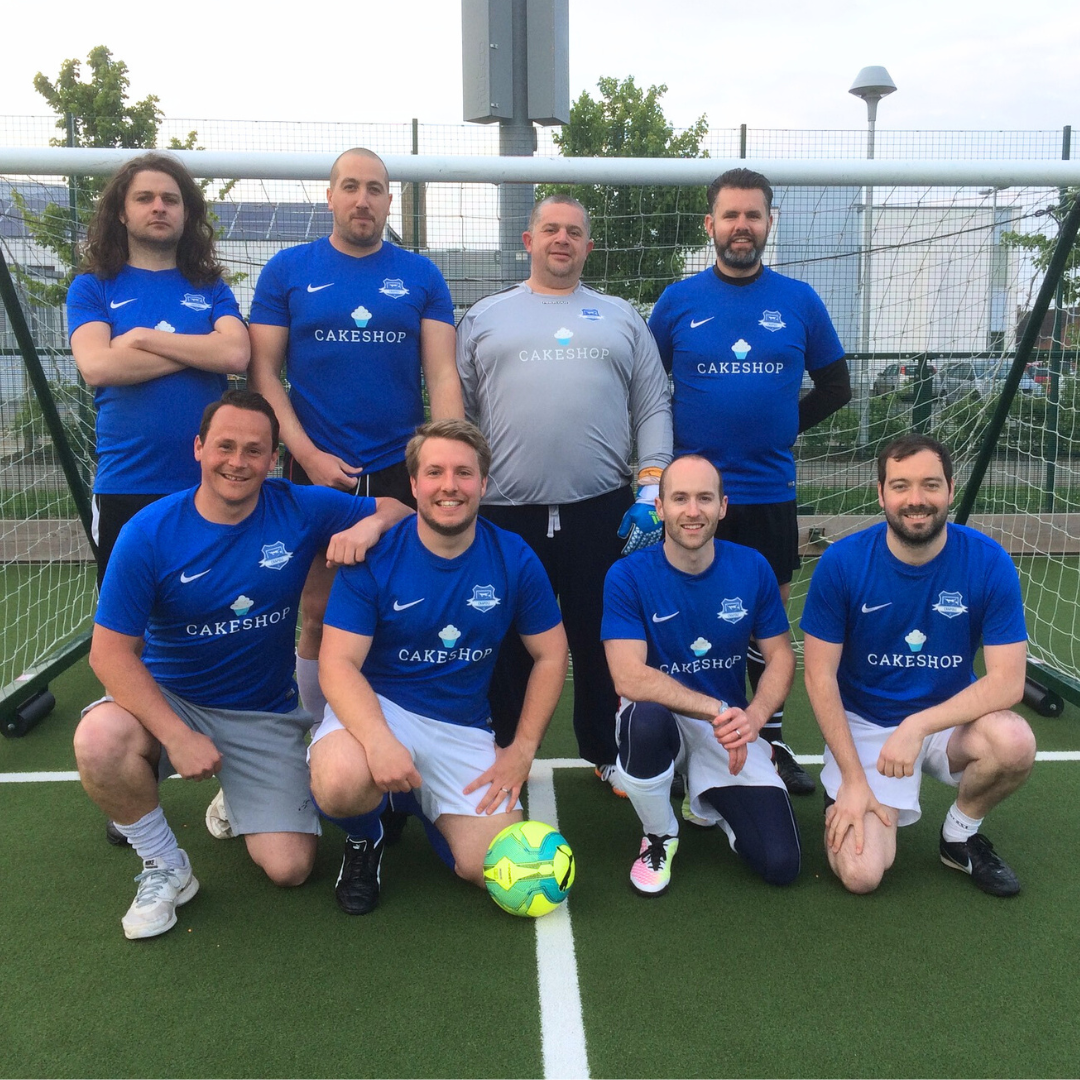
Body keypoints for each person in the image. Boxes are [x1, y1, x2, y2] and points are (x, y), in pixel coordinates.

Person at [72, 390, 411, 939]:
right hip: (172, 702)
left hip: (262, 711)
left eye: (254, 450)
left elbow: (398, 508)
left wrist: (366, 526)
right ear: (198, 448)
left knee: (290, 868)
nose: (238, 461)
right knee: (98, 739)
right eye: (225, 446)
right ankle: (164, 865)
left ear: (273, 458)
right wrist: (177, 736)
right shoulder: (148, 533)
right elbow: (108, 654)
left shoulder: (299, 506)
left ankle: (237, 788)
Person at [456, 194, 672, 790]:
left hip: (602, 511)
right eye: (550, 229)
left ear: (588, 246)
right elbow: (461, 412)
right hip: (503, 514)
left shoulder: (622, 317)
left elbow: (653, 405)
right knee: (505, 640)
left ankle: (605, 750)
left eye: (574, 232)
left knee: (600, 636)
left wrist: (651, 490)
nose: (562, 239)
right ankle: (502, 748)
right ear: (528, 241)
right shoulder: (484, 316)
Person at [648, 168, 851, 797]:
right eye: (731, 215)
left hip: (767, 493)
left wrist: (781, 428)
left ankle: (770, 740)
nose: (742, 226)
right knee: (684, 617)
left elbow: (837, 387)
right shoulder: (677, 301)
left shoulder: (799, 300)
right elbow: (649, 393)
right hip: (692, 499)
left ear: (769, 223)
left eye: (753, 215)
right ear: (710, 225)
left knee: (765, 624)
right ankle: (681, 741)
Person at [311, 419, 568, 915]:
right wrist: (379, 741)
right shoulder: (376, 554)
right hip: (381, 711)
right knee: (340, 779)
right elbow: (338, 664)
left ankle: (415, 802)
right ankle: (366, 835)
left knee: (492, 868)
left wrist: (521, 750)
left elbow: (551, 654)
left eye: (463, 473)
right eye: (434, 472)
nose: (449, 485)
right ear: (413, 484)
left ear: (483, 483)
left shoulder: (513, 556)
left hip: (461, 726)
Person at [248, 146, 463, 728]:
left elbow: (443, 374)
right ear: (330, 197)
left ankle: (405, 729)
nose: (362, 200)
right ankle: (317, 736)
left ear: (389, 200)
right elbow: (263, 372)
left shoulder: (421, 274)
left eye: (373, 189)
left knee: (406, 607)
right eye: (350, 187)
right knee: (317, 613)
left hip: (399, 468)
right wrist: (305, 452)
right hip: (314, 468)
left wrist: (441, 460)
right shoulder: (287, 270)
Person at [801, 434, 1035, 896]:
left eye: (930, 484)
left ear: (950, 489)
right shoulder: (842, 563)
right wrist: (853, 779)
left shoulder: (988, 561)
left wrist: (918, 725)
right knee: (861, 874)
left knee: (1014, 742)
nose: (916, 500)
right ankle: (849, 790)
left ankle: (959, 837)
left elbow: (1009, 682)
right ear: (880, 493)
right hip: (866, 724)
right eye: (901, 485)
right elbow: (818, 677)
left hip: (947, 720)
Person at [601, 455, 800, 895]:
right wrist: (718, 709)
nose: (693, 511)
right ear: (660, 508)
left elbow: (781, 656)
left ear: (723, 506)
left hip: (725, 729)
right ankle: (659, 833)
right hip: (668, 720)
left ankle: (705, 795)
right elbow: (628, 677)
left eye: (705, 498)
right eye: (680, 499)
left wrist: (754, 719)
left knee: (780, 862)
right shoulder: (627, 575)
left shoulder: (752, 567)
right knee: (644, 719)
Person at [67, 151, 250, 585]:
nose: (159, 207)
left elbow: (235, 355)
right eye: (144, 198)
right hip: (126, 484)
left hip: (208, 483)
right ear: (122, 213)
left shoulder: (210, 287)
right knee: (127, 619)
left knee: (208, 612)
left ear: (186, 213)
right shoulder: (92, 287)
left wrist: (140, 338)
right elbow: (97, 366)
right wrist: (198, 349)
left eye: (170, 199)